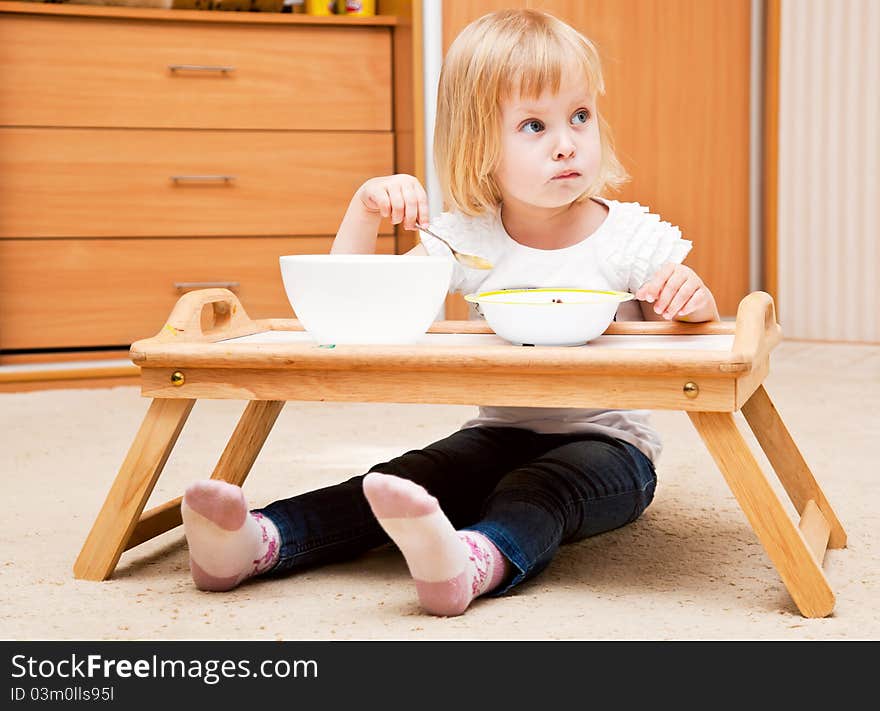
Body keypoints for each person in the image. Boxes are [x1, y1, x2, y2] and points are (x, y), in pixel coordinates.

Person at [181, 8, 720, 616]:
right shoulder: (469, 238)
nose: (567, 143)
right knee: (405, 477)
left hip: (609, 445)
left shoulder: (627, 238)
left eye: (580, 116)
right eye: (534, 125)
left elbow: (693, 342)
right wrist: (364, 210)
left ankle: (474, 561)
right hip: (496, 433)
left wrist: (691, 302)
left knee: (537, 491)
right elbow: (350, 310)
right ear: (478, 142)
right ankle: (256, 541)